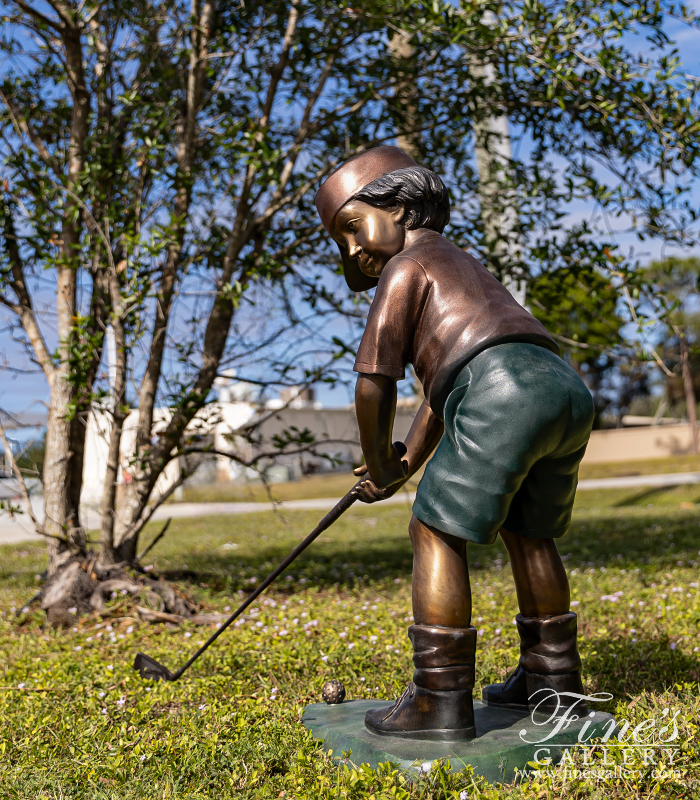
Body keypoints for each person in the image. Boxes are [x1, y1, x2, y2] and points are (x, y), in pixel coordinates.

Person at [314, 146, 594, 741]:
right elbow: (449, 388)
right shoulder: (463, 265)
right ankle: (554, 679)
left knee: (435, 529)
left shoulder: (405, 269)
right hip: (560, 389)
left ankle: (438, 699)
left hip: (500, 391)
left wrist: (383, 459)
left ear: (398, 203)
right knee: (528, 531)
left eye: (352, 226)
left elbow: (373, 384)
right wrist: (405, 460)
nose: (352, 250)